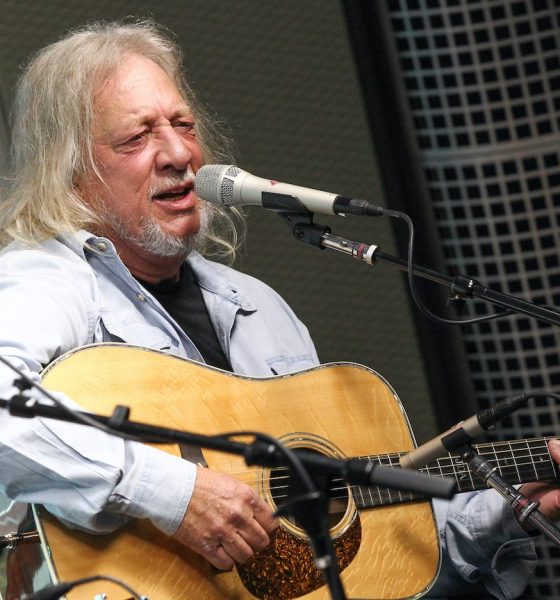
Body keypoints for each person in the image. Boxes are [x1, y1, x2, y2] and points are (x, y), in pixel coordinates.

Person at [0, 19, 558, 599]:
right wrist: (176, 493)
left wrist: (507, 515)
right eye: (136, 138)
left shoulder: (258, 307)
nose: (178, 153)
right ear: (68, 172)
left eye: (183, 125)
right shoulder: (46, 278)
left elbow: (367, 555)